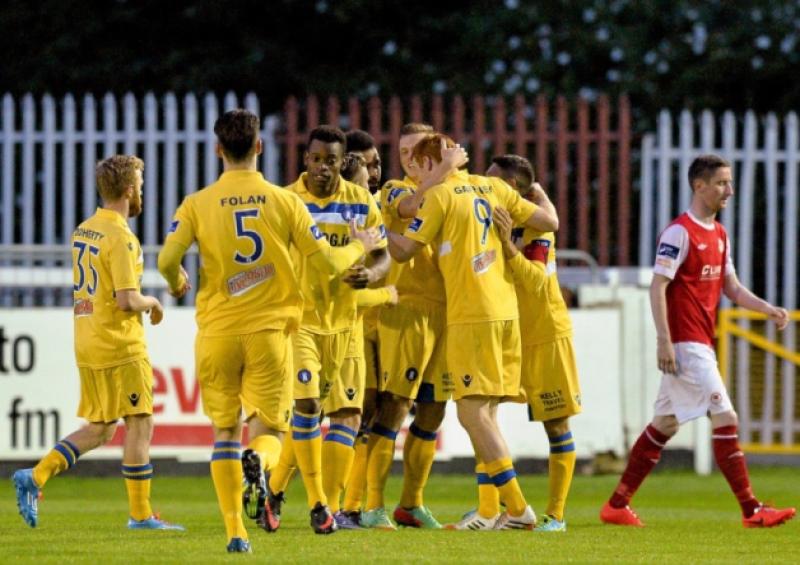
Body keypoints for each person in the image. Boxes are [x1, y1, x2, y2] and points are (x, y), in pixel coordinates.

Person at [157, 110, 381, 551]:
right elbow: (331, 264)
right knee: (271, 432)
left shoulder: (196, 203)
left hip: (218, 331)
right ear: (259, 147)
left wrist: (176, 282)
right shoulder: (285, 202)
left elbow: (166, 260)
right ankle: (259, 462)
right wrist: (361, 245)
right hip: (271, 333)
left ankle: (236, 534)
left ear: (219, 149)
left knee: (224, 431)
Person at [600, 154, 796, 528]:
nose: (730, 191)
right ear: (699, 185)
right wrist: (664, 340)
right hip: (686, 344)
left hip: (700, 342)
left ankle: (616, 504)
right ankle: (752, 510)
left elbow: (732, 288)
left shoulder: (719, 234)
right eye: (722, 183)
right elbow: (659, 286)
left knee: (664, 425)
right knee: (727, 416)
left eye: (730, 182)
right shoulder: (679, 232)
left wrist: (767, 308)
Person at [388, 134, 559, 531]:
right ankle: (487, 510)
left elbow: (402, 251)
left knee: (469, 411)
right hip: (506, 312)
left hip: (471, 315)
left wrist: (375, 232)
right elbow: (549, 221)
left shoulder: (440, 196)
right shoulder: (495, 186)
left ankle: (517, 508)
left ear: (431, 165)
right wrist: (536, 188)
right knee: (488, 413)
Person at [13, 155, 184, 533]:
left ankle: (36, 476)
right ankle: (140, 515)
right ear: (127, 190)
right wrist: (153, 302)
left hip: (88, 339)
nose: (141, 190)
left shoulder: (84, 229)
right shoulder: (121, 237)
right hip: (119, 344)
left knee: (102, 428)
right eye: (139, 184)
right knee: (141, 423)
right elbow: (127, 299)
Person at [266, 125, 390, 532]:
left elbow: (382, 256)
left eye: (331, 161)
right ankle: (320, 505)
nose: (322, 168)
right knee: (307, 408)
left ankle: (288, 494)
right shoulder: (286, 201)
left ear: (342, 162)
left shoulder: (360, 201)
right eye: (316, 159)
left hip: (345, 324)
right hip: (300, 322)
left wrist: (372, 278)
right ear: (305, 159)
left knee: (348, 414)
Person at [357, 123, 465, 531]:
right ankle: (372, 506)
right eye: (401, 149)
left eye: (416, 148)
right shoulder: (394, 190)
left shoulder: (455, 189)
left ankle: (411, 504)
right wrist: (445, 171)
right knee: (395, 406)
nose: (407, 156)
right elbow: (411, 209)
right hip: (406, 311)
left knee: (434, 410)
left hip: (448, 312)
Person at [481, 154, 579, 533]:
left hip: (546, 335)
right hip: (509, 333)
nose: (486, 188)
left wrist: (507, 245)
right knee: (483, 416)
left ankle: (555, 515)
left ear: (515, 192)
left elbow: (537, 282)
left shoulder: (538, 230)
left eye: (495, 183)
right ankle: (492, 511)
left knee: (556, 425)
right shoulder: (488, 222)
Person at [345, 129, 382, 194]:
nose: (374, 173)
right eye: (366, 166)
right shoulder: (333, 203)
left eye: (376, 164)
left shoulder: (388, 201)